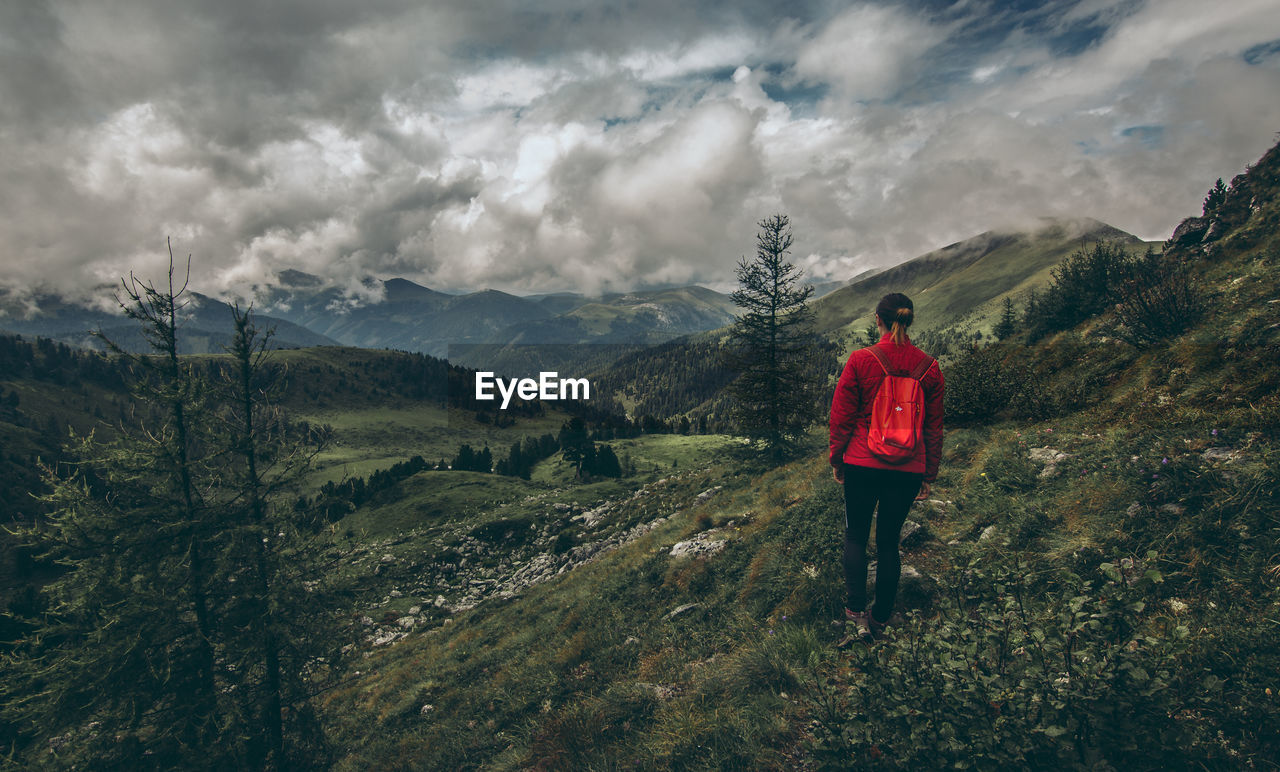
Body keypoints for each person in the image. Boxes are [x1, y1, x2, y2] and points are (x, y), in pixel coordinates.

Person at [829, 292, 944, 644]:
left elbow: (841, 417)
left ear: (878, 319)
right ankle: (880, 620)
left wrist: (838, 459)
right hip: (907, 469)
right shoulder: (929, 367)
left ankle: (856, 618)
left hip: (862, 463)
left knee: (855, 538)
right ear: (908, 321)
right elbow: (934, 426)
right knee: (890, 543)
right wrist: (929, 473)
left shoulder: (862, 360)